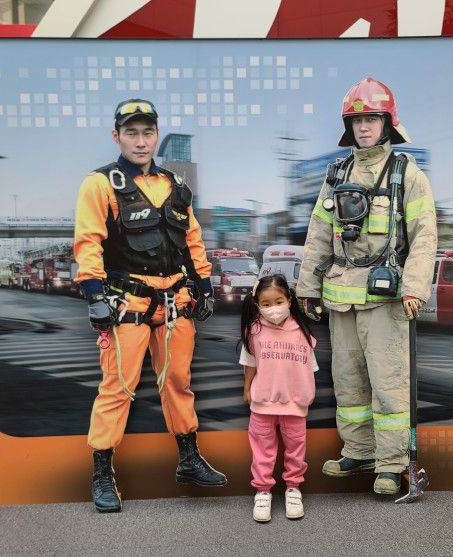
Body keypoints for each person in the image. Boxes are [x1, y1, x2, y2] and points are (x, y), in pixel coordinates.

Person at [74, 98, 227, 513]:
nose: (140, 141)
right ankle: (102, 474)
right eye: (131, 133)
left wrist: (206, 285)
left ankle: (189, 460)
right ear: (116, 136)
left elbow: (193, 239)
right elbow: (88, 241)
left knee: (177, 382)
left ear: (156, 134)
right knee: (117, 389)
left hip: (177, 303)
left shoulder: (175, 186)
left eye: (147, 132)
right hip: (128, 302)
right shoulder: (101, 184)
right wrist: (93, 296)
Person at [296, 76, 437, 496]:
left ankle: (391, 464)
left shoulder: (407, 173)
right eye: (356, 120)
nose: (363, 127)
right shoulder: (337, 171)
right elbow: (319, 231)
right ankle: (359, 451)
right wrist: (308, 285)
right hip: (341, 295)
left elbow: (425, 234)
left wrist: (414, 287)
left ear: (387, 122)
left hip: (385, 299)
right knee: (349, 381)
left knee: (388, 381)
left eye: (371, 118)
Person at [239, 274, 318, 522]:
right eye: (266, 304)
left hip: (295, 404)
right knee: (262, 450)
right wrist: (247, 387)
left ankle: (293, 489)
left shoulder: (302, 332)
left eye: (278, 301)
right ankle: (263, 491)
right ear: (257, 304)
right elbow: (250, 362)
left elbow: (309, 366)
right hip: (262, 403)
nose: (273, 308)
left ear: (289, 300)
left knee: (296, 449)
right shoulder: (254, 331)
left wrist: (305, 392)